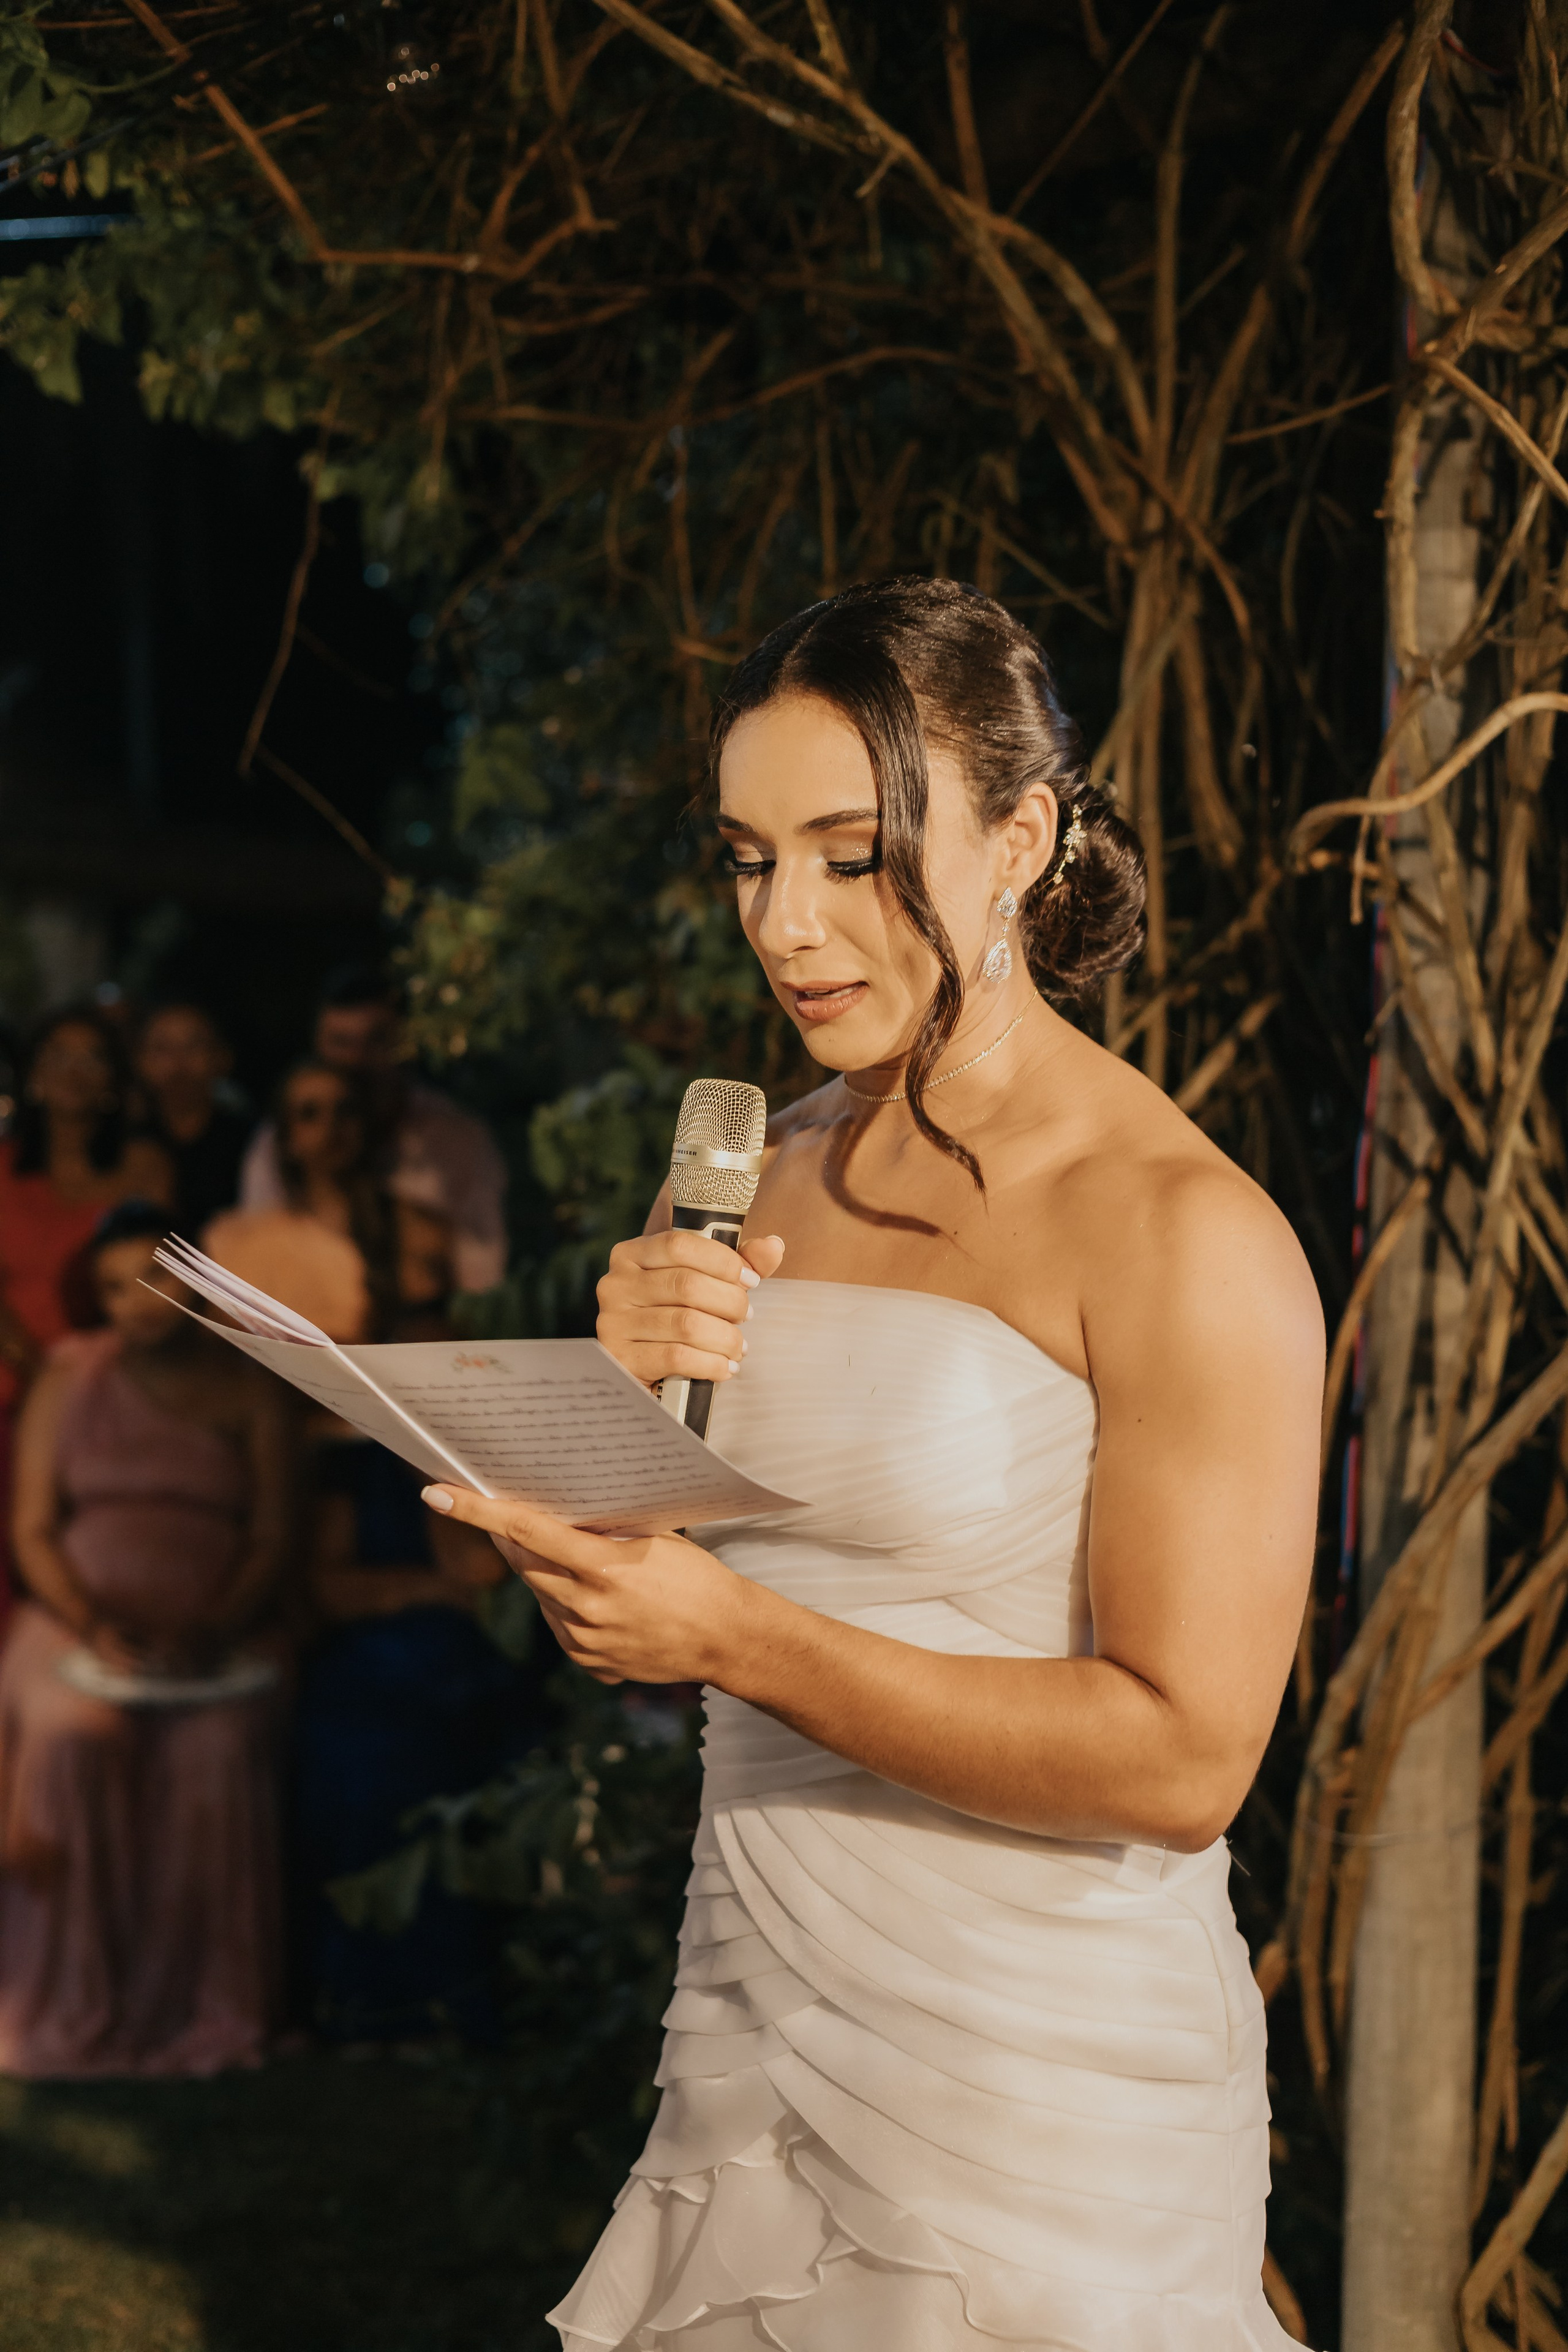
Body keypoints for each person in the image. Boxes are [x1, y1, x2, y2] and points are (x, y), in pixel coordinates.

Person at [425, 580, 1325, 2350]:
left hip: (1046, 2077)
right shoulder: (744, 1176)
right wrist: (598, 1426)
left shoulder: (1181, 1232)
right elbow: (615, 1630)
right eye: (750, 858)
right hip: (755, 2010)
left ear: (1022, 837)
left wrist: (732, 1640)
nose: (787, 924)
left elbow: (1185, 1759)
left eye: (852, 854)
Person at [0, 1202, 295, 2077]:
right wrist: (91, 1623)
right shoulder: (70, 1371)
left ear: (195, 1281)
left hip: (216, 1635)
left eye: (155, 1278)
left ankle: (195, 2009)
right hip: (73, 1622)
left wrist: (216, 1626)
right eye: (111, 1287)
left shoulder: (252, 1383)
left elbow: (274, 1535)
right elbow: (34, 1530)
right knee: (66, 1736)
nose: (133, 1302)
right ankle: (63, 2001)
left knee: (217, 1751)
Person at [0, 1007, 173, 1627]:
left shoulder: (143, 1168)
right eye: (58, 1057)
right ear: (35, 1076)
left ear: (113, 1080)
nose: (74, 1072)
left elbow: (159, 1280)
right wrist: (44, 1371)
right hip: (18, 1377)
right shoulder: (4, 1167)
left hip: (121, 1375)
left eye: (92, 1057)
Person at [238, 967, 508, 1294]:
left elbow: (482, 1278)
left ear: (406, 1042)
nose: (357, 1060)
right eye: (341, 1042)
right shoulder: (281, 1142)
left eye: (376, 1040)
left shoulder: (457, 1139)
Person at [134, 1001, 252, 1234]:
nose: (178, 1063)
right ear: (140, 1061)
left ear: (223, 1057)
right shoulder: (126, 1144)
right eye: (162, 1048)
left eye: (193, 1046)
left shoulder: (252, 1145)